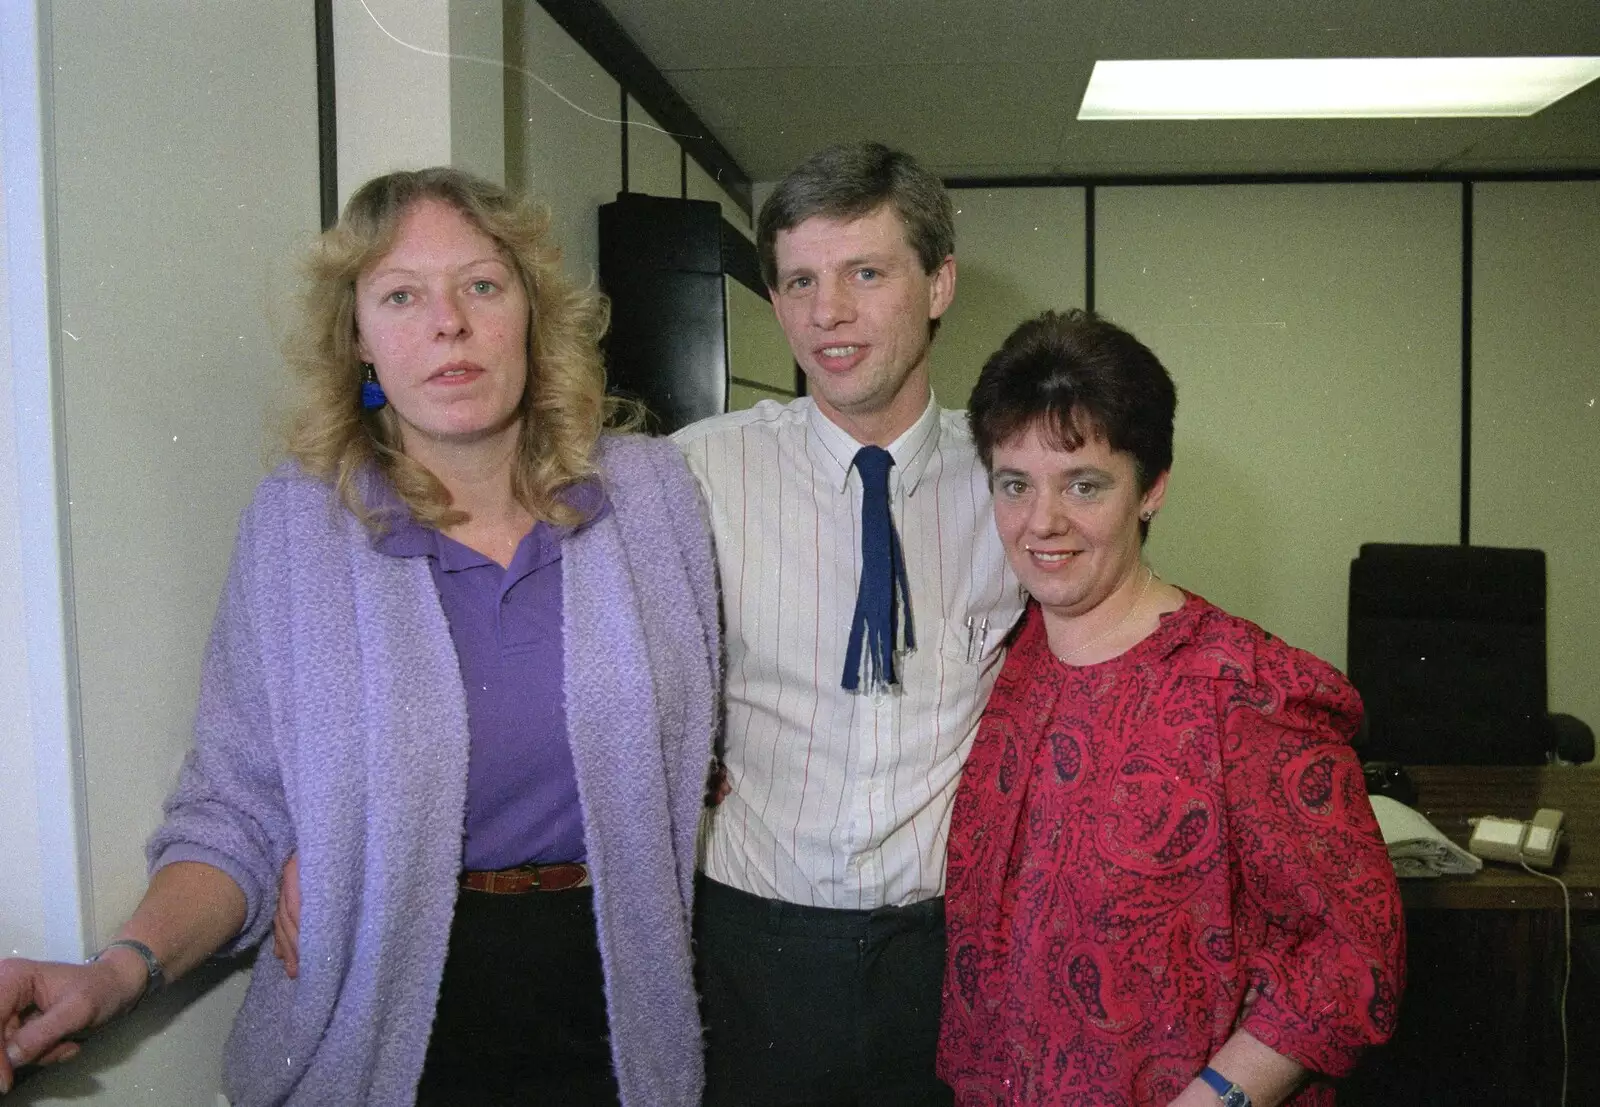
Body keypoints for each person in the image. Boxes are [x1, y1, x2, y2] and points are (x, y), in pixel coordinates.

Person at [0, 167, 718, 1106]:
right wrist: (116, 971)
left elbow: (713, 739)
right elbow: (236, 810)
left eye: (482, 285)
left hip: (620, 1008)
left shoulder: (651, 495)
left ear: (534, 315)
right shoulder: (299, 527)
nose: (448, 323)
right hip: (383, 1022)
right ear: (360, 341)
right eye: (401, 295)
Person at [937, 309, 1405, 1106]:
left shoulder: (1245, 692)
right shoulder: (1006, 664)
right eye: (1015, 484)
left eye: (1084, 484)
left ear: (1151, 487)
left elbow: (1356, 954)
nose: (1041, 522)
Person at [672, 141, 1024, 1106]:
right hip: (750, 951)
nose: (827, 313)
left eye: (865, 272)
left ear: (939, 282)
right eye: (799, 281)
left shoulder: (1013, 487)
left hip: (949, 952)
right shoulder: (691, 476)